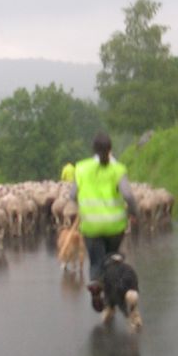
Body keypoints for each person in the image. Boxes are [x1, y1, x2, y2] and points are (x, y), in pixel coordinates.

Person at [73, 133, 138, 312]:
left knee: (95, 262)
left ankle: (95, 286)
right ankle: (111, 294)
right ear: (110, 150)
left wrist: (81, 205)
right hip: (115, 226)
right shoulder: (118, 169)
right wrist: (134, 212)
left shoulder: (81, 168)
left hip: (91, 225)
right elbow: (128, 195)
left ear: (93, 149)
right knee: (112, 260)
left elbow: (72, 195)